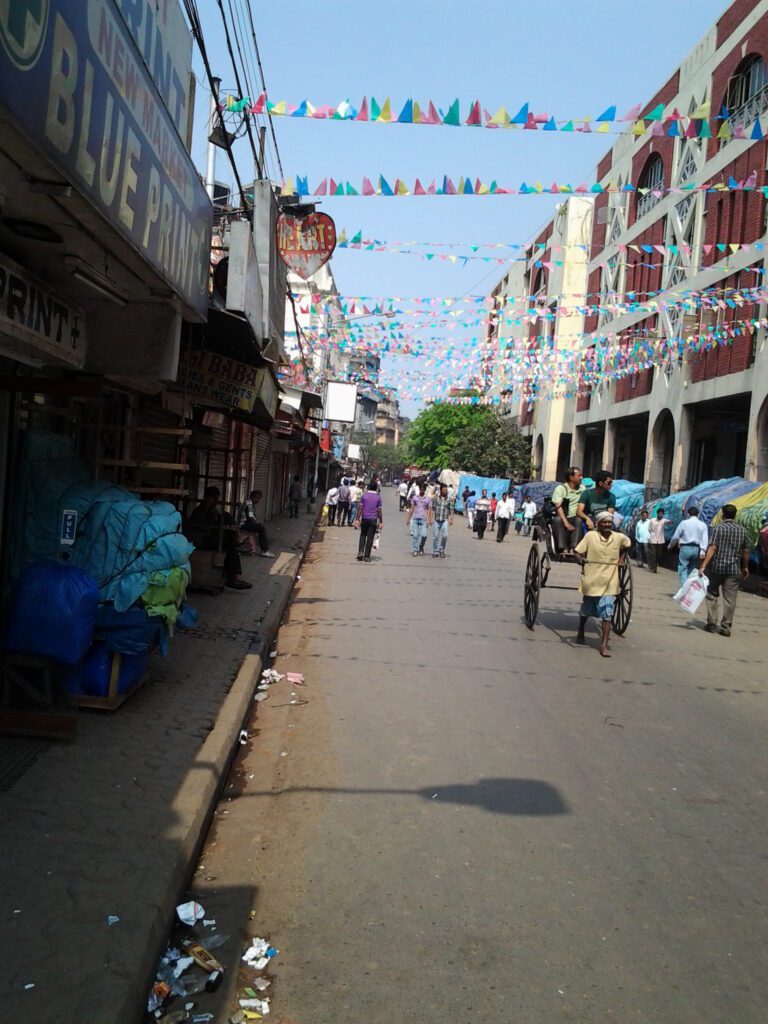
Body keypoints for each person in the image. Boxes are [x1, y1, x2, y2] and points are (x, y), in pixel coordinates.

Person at [574, 510, 631, 657]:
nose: (607, 525)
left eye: (609, 522)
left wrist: (622, 558)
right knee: (586, 609)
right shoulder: (591, 536)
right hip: (592, 579)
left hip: (610, 580)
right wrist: (580, 559)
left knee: (607, 613)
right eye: (604, 522)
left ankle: (604, 644)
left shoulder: (618, 537)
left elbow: (628, 544)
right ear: (598, 524)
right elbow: (577, 551)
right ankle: (581, 631)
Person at [187, 486, 253, 591]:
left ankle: (233, 577)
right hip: (202, 540)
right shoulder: (201, 510)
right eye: (214, 498)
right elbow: (201, 527)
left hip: (209, 537)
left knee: (230, 542)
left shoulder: (212, 510)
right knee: (231, 544)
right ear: (208, 498)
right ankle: (232, 578)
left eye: (217, 498)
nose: (216, 501)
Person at [699, 504, 750, 636]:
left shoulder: (718, 528)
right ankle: (726, 627)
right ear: (735, 515)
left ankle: (711, 624)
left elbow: (713, 548)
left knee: (711, 594)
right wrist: (745, 567)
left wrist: (704, 565)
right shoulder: (742, 530)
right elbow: (745, 551)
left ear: (722, 514)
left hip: (717, 568)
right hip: (734, 569)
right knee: (730, 599)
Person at [669, 506, 708, 588]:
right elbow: (705, 539)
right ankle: (688, 587)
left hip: (685, 548)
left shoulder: (684, 523)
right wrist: (703, 551)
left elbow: (676, 537)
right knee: (692, 569)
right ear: (698, 514)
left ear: (688, 514)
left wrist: (670, 546)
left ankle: (684, 588)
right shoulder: (703, 525)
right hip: (696, 549)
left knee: (682, 568)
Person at [552, 467, 584, 552]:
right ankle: (563, 547)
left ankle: (575, 547)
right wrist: (566, 523)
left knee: (579, 520)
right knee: (557, 520)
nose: (581, 477)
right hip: (564, 517)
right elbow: (558, 507)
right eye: (579, 475)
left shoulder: (582, 489)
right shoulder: (560, 489)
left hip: (576, 516)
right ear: (571, 477)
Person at [238, 490, 276, 557]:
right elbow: (251, 519)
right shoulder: (248, 505)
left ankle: (264, 549)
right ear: (252, 497)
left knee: (260, 527)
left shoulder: (250, 504)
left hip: (245, 523)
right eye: (256, 498)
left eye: (259, 498)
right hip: (243, 525)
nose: (257, 500)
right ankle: (265, 550)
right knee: (261, 528)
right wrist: (258, 525)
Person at [355, 480, 383, 562]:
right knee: (370, 537)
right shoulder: (378, 497)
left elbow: (360, 508)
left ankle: (360, 553)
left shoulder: (364, 496)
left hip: (364, 519)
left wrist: (357, 519)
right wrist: (381, 521)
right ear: (376, 488)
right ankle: (366, 556)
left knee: (363, 535)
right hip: (373, 519)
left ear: (368, 487)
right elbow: (379, 511)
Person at [406, 482, 431, 556]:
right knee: (415, 535)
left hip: (424, 519)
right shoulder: (415, 498)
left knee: (424, 535)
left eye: (423, 489)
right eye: (421, 489)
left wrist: (428, 520)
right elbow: (412, 509)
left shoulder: (428, 499)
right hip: (415, 519)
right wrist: (408, 519)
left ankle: (421, 546)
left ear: (425, 490)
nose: (422, 490)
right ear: (419, 489)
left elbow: (429, 510)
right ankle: (415, 549)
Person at [431, 482, 454, 557]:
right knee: (435, 537)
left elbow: (451, 509)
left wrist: (451, 519)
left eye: (446, 490)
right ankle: (435, 551)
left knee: (445, 536)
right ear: (441, 490)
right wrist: (430, 518)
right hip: (436, 519)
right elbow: (433, 508)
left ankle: (442, 549)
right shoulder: (436, 497)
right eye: (444, 490)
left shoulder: (449, 499)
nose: (445, 491)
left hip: (445, 520)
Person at [647, 507, 670, 573]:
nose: (661, 515)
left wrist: (671, 522)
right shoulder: (652, 520)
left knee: (659, 554)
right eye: (660, 513)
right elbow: (649, 529)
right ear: (657, 514)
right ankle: (653, 568)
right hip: (653, 539)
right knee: (653, 554)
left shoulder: (663, 520)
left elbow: (668, 521)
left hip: (660, 540)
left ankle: (654, 565)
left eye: (662, 514)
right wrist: (652, 534)